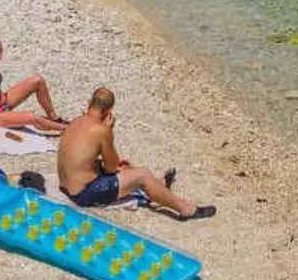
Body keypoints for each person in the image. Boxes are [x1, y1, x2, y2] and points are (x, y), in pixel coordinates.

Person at [57, 87, 214, 219]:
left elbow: (86, 157)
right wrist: (109, 131)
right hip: (83, 194)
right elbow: (111, 168)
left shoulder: (76, 121)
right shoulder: (102, 130)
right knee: (142, 175)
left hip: (65, 186)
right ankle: (186, 209)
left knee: (125, 168)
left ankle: (159, 187)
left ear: (89, 103)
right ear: (108, 111)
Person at [0, 35, 66, 136]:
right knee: (32, 117)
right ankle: (66, 128)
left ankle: (54, 117)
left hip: (3, 103)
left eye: (0, 53)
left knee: (37, 80)